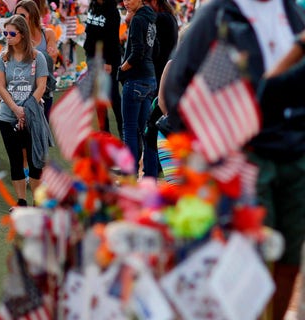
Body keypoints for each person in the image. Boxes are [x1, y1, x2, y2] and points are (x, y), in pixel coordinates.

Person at [162, 0, 305, 318]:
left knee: (290, 257)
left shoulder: (293, 12)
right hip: (244, 157)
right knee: (251, 261)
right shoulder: (219, 14)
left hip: (295, 153)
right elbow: (177, 88)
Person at [0, 15, 48, 208]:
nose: (7, 37)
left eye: (11, 33)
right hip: (8, 117)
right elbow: (0, 87)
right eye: (5, 33)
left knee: (35, 162)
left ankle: (38, 203)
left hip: (32, 117)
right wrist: (16, 109)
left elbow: (41, 86)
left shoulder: (37, 57)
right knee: (15, 160)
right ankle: (21, 201)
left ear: (23, 35)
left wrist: (26, 109)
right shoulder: (4, 58)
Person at [117, 0, 157, 177]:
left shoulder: (139, 19)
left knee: (130, 131)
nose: (126, 2)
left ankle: (130, 176)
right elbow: (154, 48)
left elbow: (137, 52)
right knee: (146, 131)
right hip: (149, 79)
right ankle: (151, 176)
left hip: (136, 80)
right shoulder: (150, 16)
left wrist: (122, 68)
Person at [83, 0, 121, 137]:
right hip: (93, 59)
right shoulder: (93, 7)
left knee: (113, 96)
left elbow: (113, 39)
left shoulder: (112, 11)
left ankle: (123, 131)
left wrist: (109, 62)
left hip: (107, 61)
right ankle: (105, 132)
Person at [14, 0, 57, 119]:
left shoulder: (48, 34)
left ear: (32, 16)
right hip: (21, 91)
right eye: (16, 16)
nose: (18, 19)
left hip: (44, 91)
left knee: (43, 129)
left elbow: (51, 59)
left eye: (22, 16)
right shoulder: (15, 36)